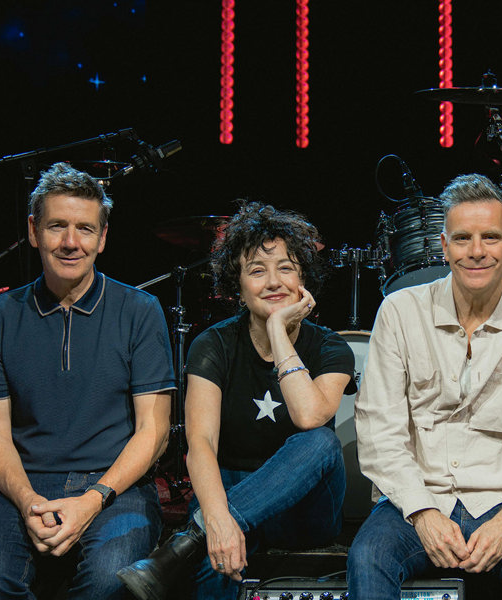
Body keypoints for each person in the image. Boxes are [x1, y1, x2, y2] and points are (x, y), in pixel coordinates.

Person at [346, 174, 502, 599]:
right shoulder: (400, 312)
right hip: (416, 501)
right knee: (368, 560)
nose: (476, 251)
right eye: (462, 239)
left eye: (490, 238)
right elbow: (379, 431)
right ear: (443, 247)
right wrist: (423, 512)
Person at [0, 162, 175, 600]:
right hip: (26, 482)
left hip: (115, 486)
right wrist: (26, 500)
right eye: (57, 226)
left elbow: (154, 431)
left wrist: (92, 499)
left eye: (85, 229)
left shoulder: (139, 310)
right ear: (34, 231)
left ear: (103, 237)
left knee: (110, 581)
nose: (71, 242)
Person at [117, 202, 355, 600]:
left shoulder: (330, 347)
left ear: (303, 279)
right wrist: (219, 521)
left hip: (305, 511)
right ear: (237, 286)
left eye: (286, 268)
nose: (274, 282)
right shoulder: (213, 345)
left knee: (321, 442)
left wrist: (279, 332)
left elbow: (310, 416)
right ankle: (207, 535)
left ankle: (188, 539)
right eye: (257, 271)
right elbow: (201, 444)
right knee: (216, 557)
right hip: (230, 491)